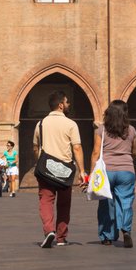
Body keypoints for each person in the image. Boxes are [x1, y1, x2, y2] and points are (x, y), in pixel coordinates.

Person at [32, 90, 86, 247]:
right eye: (67, 102)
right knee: (64, 203)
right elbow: (77, 148)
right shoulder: (71, 124)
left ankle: (49, 230)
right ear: (61, 105)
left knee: (46, 201)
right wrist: (82, 171)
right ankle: (61, 237)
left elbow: (35, 147)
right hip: (64, 170)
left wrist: (38, 162)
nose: (69, 104)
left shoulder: (40, 124)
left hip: (46, 169)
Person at [91, 99, 136, 247]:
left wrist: (92, 174)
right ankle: (126, 229)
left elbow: (96, 153)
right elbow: (134, 151)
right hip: (126, 171)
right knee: (126, 202)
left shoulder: (101, 130)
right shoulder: (131, 130)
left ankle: (107, 236)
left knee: (106, 204)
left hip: (107, 171)